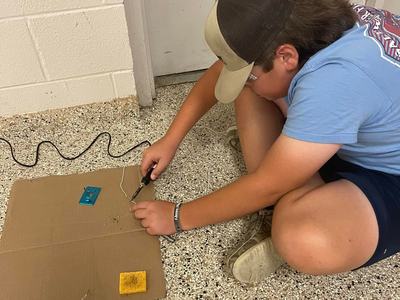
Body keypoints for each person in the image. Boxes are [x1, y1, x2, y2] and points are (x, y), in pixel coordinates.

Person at [130, 0, 400, 284]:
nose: (247, 80)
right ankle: (293, 166)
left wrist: (177, 217)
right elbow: (226, 68)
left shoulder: (336, 80)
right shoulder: (313, 21)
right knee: (252, 88)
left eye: (250, 75)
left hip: (390, 176)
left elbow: (267, 185)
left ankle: (288, 189)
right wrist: (170, 140)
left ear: (286, 57)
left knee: (301, 237)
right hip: (365, 132)